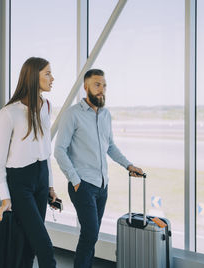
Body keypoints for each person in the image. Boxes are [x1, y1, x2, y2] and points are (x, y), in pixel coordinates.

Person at [54, 69, 144, 268]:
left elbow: (110, 146)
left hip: (102, 185)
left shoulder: (106, 115)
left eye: (104, 85)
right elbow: (59, 150)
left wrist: (128, 165)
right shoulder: (73, 114)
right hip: (83, 184)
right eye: (97, 85)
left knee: (91, 236)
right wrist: (75, 180)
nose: (102, 89)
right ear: (86, 87)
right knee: (90, 234)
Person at [0, 57, 59, 268]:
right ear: (33, 77)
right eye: (47, 74)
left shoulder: (46, 106)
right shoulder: (8, 113)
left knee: (31, 244)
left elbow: (46, 150)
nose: (52, 78)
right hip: (20, 182)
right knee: (45, 246)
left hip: (41, 176)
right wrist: (5, 198)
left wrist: (49, 185)